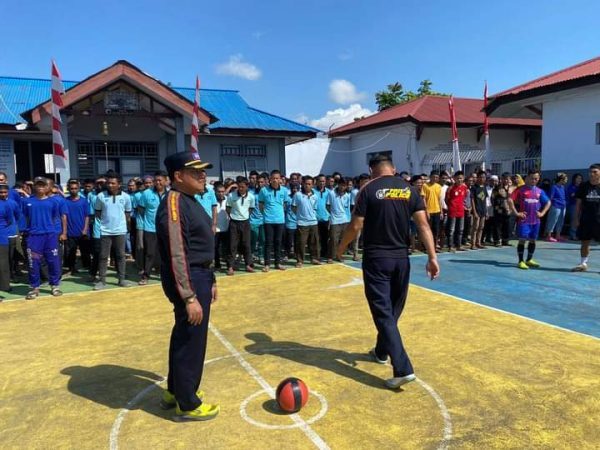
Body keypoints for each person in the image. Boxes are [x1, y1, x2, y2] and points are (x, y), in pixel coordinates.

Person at [336, 154, 439, 390]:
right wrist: (432, 257)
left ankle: (403, 368)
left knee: (383, 312)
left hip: (377, 259)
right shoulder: (409, 189)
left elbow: (356, 225)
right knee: (392, 310)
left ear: (372, 170)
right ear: (393, 168)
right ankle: (381, 351)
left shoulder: (368, 189)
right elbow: (423, 225)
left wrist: (341, 248)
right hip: (402, 259)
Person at [156, 151, 219, 421]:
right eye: (195, 172)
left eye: (203, 170)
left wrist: (212, 277)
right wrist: (189, 296)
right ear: (178, 176)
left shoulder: (189, 199)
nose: (202, 175)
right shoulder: (174, 202)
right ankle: (188, 403)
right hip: (189, 279)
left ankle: (174, 391)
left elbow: (199, 244)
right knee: (192, 341)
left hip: (199, 275)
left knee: (184, 335)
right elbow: (177, 251)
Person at [22, 177, 65, 299]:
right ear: (34, 187)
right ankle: (35, 288)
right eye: (38, 185)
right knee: (33, 263)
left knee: (53, 262)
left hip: (50, 236)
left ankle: (55, 286)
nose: (40, 187)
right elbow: (24, 217)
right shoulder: (27, 202)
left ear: (47, 187)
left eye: (43, 185)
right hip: (33, 237)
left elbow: (55, 217)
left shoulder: (53, 202)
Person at [94, 174, 133, 290]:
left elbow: (127, 213)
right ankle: (102, 281)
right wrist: (106, 224)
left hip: (120, 231)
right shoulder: (101, 196)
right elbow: (98, 212)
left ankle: (121, 279)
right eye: (109, 183)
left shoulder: (126, 197)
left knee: (120, 256)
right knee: (103, 256)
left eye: (113, 183)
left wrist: (122, 225)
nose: (110, 185)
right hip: (105, 231)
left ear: (119, 184)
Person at [508, 169, 551, 270]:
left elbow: (548, 202)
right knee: (522, 240)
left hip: (536, 221)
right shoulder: (520, 189)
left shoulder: (540, 191)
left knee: (533, 241)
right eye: (532, 178)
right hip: (524, 221)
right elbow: (510, 200)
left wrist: (542, 213)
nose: (534, 180)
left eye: (536, 179)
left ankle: (529, 259)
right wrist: (516, 213)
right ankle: (521, 261)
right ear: (527, 178)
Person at [137, 171, 168, 285]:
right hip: (150, 229)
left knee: (164, 253)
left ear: (166, 181)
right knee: (150, 253)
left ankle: (162, 273)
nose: (158, 182)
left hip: (165, 229)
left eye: (160, 180)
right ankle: (145, 276)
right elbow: (141, 210)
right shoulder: (147, 193)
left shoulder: (170, 194)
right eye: (156, 180)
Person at [571, 163, 600, 272]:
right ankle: (583, 264)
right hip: (586, 219)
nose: (592, 174)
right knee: (585, 242)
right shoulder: (583, 186)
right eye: (590, 172)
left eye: (595, 172)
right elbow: (578, 203)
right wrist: (576, 218)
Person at [258, 170, 288, 272]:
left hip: (280, 220)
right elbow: (261, 205)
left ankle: (278, 263)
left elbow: (285, 204)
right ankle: (267, 264)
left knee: (278, 242)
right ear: (270, 179)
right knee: (268, 243)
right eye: (273, 178)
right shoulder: (264, 190)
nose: (275, 180)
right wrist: (267, 214)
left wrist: (279, 213)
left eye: (277, 178)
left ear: (280, 179)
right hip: (268, 221)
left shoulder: (284, 190)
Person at [226, 178, 255, 275]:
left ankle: (248, 264)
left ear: (247, 187)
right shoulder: (231, 195)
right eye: (239, 186)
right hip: (234, 222)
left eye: (243, 187)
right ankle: (230, 266)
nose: (241, 188)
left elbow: (251, 208)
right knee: (232, 245)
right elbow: (228, 208)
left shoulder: (251, 197)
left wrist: (244, 216)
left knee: (246, 244)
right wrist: (234, 216)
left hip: (245, 222)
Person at [292, 175, 321, 267]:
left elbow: (315, 208)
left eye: (309, 184)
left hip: (313, 222)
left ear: (312, 185)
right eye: (306, 184)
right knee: (301, 242)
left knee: (314, 242)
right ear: (302, 184)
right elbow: (293, 207)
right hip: (302, 223)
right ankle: (300, 261)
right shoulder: (298, 195)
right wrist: (300, 216)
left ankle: (314, 258)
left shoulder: (315, 196)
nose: (307, 185)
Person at [64, 180, 90, 275]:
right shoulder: (65, 201)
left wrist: (85, 229)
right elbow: (64, 216)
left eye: (75, 188)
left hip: (82, 232)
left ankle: (87, 267)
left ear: (79, 189)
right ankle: (71, 268)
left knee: (85, 251)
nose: (73, 190)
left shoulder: (84, 201)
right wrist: (65, 231)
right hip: (70, 232)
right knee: (71, 252)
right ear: (68, 189)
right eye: (72, 188)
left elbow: (87, 216)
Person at [0, 184, 20, 294]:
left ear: (8, 192)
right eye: (1, 192)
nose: (3, 194)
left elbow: (16, 216)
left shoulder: (12, 203)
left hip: (11, 235)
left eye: (5, 192)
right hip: (2, 237)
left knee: (10, 260)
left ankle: (6, 282)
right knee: (3, 262)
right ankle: (5, 285)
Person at [326, 177, 350, 263]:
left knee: (342, 240)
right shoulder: (331, 193)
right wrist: (333, 214)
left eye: (344, 185)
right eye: (341, 185)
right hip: (335, 220)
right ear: (338, 184)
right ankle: (331, 257)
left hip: (345, 220)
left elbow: (347, 208)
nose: (342, 187)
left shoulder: (347, 195)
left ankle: (339, 255)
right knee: (333, 239)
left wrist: (347, 219)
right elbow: (328, 206)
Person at [444, 171, 468, 252]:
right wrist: (451, 206)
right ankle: (450, 246)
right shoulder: (450, 188)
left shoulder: (464, 187)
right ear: (454, 178)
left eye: (461, 178)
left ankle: (459, 245)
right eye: (458, 178)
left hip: (461, 211)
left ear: (463, 178)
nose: (459, 180)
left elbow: (464, 197)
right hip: (452, 211)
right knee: (451, 230)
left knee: (460, 229)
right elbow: (446, 199)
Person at [545, 173, 567, 242]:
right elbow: (550, 197)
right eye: (565, 179)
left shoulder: (563, 187)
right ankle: (549, 236)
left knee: (561, 221)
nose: (566, 181)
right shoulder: (554, 187)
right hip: (555, 206)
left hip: (563, 206)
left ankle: (558, 236)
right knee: (553, 220)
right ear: (561, 180)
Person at [314, 174, 331, 260]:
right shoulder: (312, 191)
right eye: (320, 181)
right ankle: (316, 255)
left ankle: (324, 254)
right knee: (316, 239)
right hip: (315, 219)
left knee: (325, 238)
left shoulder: (329, 192)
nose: (322, 183)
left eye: (323, 181)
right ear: (316, 182)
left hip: (326, 219)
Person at [470, 171, 488, 249]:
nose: (482, 178)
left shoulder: (484, 187)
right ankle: (473, 244)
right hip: (476, 210)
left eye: (483, 177)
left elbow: (485, 200)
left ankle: (478, 242)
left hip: (483, 210)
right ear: (477, 178)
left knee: (481, 227)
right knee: (475, 227)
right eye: (480, 177)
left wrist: (486, 211)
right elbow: (472, 200)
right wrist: (474, 212)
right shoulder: (474, 187)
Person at [566, 173, 583, 240]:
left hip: (581, 206)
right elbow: (572, 195)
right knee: (574, 220)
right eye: (578, 178)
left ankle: (577, 234)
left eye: (580, 178)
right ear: (574, 179)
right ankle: (572, 235)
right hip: (573, 205)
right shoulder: (571, 187)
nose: (579, 180)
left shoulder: (581, 187)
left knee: (579, 220)